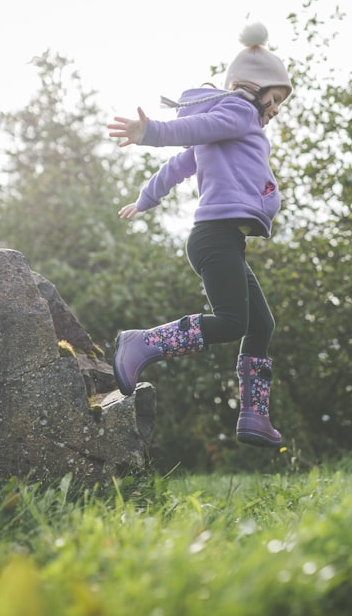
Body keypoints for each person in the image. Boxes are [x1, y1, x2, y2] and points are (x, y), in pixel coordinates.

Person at [107, 22, 292, 448]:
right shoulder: (238, 113)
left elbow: (179, 165)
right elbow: (187, 134)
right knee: (232, 322)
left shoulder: (232, 131)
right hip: (214, 238)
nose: (276, 109)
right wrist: (149, 132)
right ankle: (142, 344)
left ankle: (253, 415)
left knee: (260, 324)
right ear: (256, 86)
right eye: (276, 98)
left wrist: (146, 198)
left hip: (225, 240)